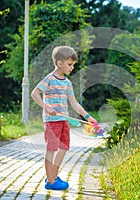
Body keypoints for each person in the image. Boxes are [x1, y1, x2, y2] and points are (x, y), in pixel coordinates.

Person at [31, 46, 97, 190]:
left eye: (73, 65)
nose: (72, 67)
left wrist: (87, 116)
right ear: (59, 63)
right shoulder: (48, 79)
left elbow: (74, 103)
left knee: (64, 148)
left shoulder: (67, 83)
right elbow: (34, 94)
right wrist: (46, 107)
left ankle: (52, 176)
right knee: (51, 150)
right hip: (51, 122)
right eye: (70, 64)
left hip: (63, 121)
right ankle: (51, 181)